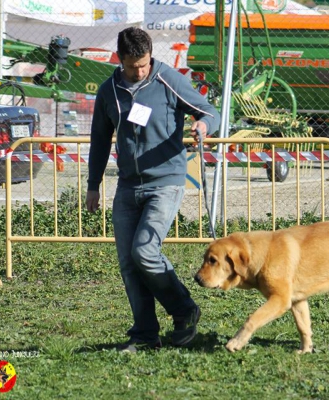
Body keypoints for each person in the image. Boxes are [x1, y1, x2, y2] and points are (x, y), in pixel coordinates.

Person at [85, 27, 220, 353]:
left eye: (144, 64)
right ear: (120, 59)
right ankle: (145, 334)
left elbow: (210, 112)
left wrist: (202, 125)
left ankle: (184, 309)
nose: (140, 71)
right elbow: (100, 141)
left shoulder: (168, 79)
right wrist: (93, 185)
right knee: (130, 264)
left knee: (144, 251)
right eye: (133, 66)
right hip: (128, 186)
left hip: (166, 182)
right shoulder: (110, 91)